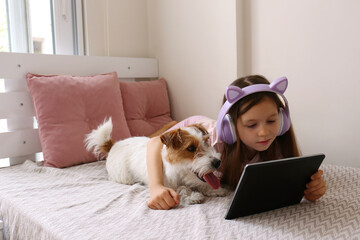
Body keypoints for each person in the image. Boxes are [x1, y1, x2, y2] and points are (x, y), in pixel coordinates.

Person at [146, 75, 327, 210]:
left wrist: (311, 189)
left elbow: (289, 185)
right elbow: (154, 143)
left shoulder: (278, 148)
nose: (264, 132)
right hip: (192, 128)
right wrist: (156, 186)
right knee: (159, 135)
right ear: (230, 127)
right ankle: (171, 125)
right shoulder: (212, 137)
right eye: (251, 124)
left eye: (271, 121)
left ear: (282, 119)